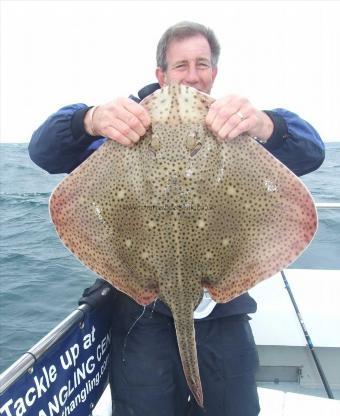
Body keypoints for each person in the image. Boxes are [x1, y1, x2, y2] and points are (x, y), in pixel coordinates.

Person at [29, 21, 325, 416]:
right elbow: (43, 152)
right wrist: (89, 118)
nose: (192, 75)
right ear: (161, 75)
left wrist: (267, 124)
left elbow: (312, 153)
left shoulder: (236, 127)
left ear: (214, 73)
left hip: (223, 308)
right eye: (181, 65)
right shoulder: (124, 129)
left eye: (201, 64)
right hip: (141, 307)